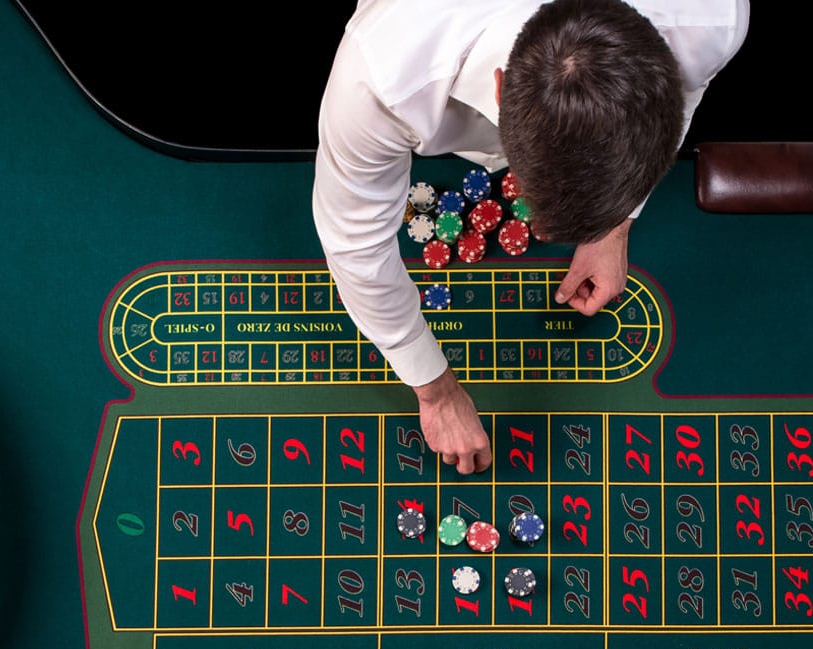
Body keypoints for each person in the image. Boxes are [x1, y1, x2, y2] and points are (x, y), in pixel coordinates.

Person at [313, 0, 749, 475]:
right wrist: (435, 391)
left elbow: (685, 91)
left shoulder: (709, 18)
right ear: (501, 90)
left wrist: (614, 224)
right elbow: (357, 247)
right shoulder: (382, 75)